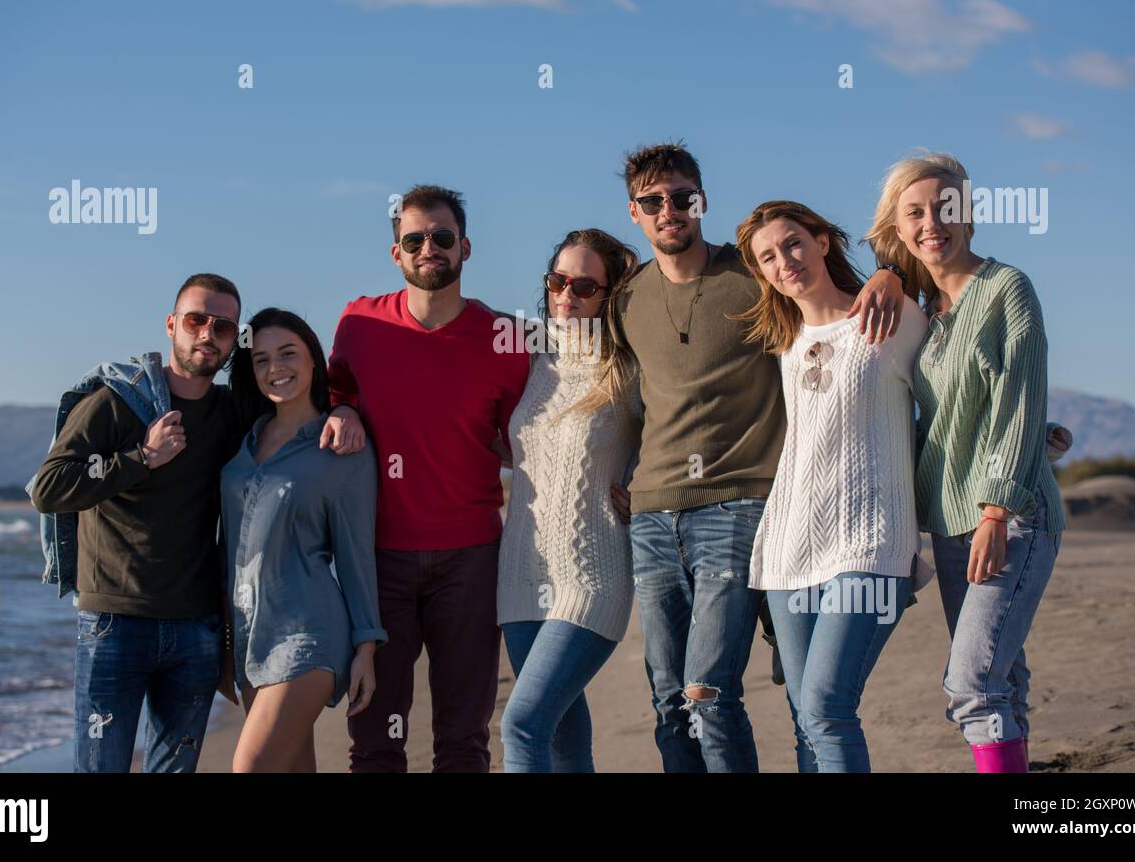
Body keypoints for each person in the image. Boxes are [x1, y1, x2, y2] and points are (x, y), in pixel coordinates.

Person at [612, 142, 909, 772]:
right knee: (671, 701)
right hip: (654, 517)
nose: (669, 210)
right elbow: (613, 396)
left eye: (682, 197)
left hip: (742, 508)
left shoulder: (751, 273)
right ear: (633, 211)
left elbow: (856, 318)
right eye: (652, 201)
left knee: (711, 692)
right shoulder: (625, 300)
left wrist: (893, 272)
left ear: (702, 200)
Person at [320, 184, 531, 772]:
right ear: (397, 253)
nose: (428, 248)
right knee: (375, 737)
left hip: (472, 557)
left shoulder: (504, 338)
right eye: (414, 239)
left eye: (442, 237)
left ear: (465, 247)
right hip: (377, 557)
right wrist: (341, 408)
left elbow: (531, 439)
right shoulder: (360, 323)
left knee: (463, 739)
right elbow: (333, 395)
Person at [866, 151, 1065, 772]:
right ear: (899, 229)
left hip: (1009, 517)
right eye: (915, 213)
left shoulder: (1007, 288)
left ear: (970, 215)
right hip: (951, 524)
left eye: (946, 207)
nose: (933, 223)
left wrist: (997, 510)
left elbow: (1017, 399)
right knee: (1002, 682)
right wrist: (888, 278)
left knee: (971, 685)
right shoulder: (927, 313)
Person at [29, 274, 252, 772]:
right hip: (114, 623)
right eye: (196, 320)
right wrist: (141, 459)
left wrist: (340, 412)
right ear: (172, 325)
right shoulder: (116, 402)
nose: (207, 335)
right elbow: (48, 488)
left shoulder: (230, 413)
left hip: (196, 628)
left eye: (222, 327)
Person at [736, 201, 930, 772]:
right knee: (805, 718)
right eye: (767, 257)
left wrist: (892, 274)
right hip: (790, 550)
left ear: (822, 241)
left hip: (871, 542)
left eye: (793, 243)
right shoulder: (784, 342)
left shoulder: (891, 319)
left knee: (826, 706)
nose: (784, 261)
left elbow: (953, 398)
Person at [496, 228, 642, 772]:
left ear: (610, 294)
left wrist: (645, 485)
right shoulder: (531, 358)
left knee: (521, 724)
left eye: (584, 286)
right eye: (557, 281)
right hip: (518, 577)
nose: (566, 296)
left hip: (591, 575)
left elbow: (681, 429)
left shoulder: (627, 366)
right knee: (563, 741)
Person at [220, 308, 386, 772]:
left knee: (248, 767)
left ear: (314, 359)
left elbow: (357, 553)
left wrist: (366, 648)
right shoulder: (244, 442)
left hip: (311, 633)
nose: (276, 367)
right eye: (262, 359)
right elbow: (227, 550)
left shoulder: (341, 447)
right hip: (251, 637)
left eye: (288, 353)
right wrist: (226, 644)